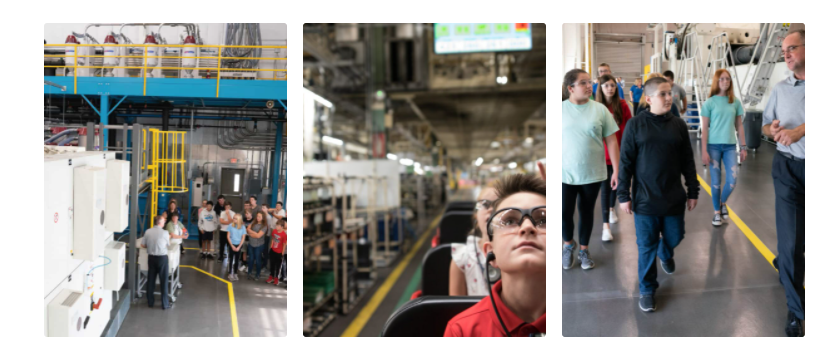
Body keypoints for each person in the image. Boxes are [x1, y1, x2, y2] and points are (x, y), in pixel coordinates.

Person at [617, 76, 699, 313]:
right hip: (644, 200)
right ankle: (647, 289)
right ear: (649, 98)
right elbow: (626, 162)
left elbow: (688, 161)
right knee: (645, 246)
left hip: (673, 197)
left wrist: (693, 190)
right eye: (663, 93)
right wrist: (624, 194)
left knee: (675, 237)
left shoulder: (679, 125)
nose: (668, 97)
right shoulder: (635, 125)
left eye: (669, 92)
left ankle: (665, 250)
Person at [444, 174, 546, 337]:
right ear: (490, 252)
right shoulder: (462, 332)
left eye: (543, 220)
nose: (527, 227)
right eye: (509, 221)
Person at [761, 29, 805, 337]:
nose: (786, 54)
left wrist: (801, 130)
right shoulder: (780, 88)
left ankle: (787, 263)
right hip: (787, 169)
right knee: (790, 242)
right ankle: (795, 309)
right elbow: (765, 124)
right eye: (783, 50)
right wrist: (772, 128)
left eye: (792, 48)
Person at [562, 68, 619, 270]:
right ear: (570, 88)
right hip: (563, 174)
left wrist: (618, 171)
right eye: (583, 83)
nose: (589, 86)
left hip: (592, 172)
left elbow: (611, 141)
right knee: (563, 212)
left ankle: (584, 250)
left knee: (586, 212)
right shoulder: (558, 110)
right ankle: (568, 244)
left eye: (589, 82)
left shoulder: (600, 110)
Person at [701, 69, 747, 226]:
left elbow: (739, 125)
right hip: (713, 146)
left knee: (732, 180)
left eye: (728, 79)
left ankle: (722, 202)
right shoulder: (709, 103)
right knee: (715, 181)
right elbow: (705, 128)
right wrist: (703, 150)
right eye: (722, 79)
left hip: (729, 147)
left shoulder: (735, 102)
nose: (725, 81)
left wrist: (743, 146)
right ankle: (716, 213)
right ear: (716, 81)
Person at [595, 74, 632, 242]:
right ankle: (605, 227)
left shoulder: (623, 105)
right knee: (605, 189)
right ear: (600, 89)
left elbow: (629, 128)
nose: (610, 88)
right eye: (606, 86)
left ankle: (611, 208)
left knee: (615, 184)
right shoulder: (595, 107)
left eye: (612, 85)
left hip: (620, 153)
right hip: (602, 155)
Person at [449, 185, 497, 296]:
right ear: (476, 215)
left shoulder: (518, 254)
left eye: (498, 205)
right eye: (485, 205)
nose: (491, 210)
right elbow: (455, 307)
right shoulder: (462, 258)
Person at [141, 215, 172, 309]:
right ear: (160, 222)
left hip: (151, 258)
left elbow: (143, 245)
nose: (164, 223)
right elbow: (167, 244)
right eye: (163, 221)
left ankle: (150, 302)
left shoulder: (147, 231)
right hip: (162, 258)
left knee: (151, 280)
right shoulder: (165, 233)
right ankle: (165, 304)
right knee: (164, 281)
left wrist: (150, 246)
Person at [246, 211, 268, 281]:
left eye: (259, 217)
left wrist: (251, 233)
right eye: (257, 216)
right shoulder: (253, 222)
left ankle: (257, 274)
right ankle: (249, 273)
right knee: (251, 259)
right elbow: (247, 229)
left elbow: (258, 236)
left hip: (259, 245)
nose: (257, 218)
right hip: (251, 244)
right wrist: (254, 233)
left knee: (258, 260)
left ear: (263, 218)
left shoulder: (264, 226)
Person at [225, 214, 247, 281]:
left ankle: (235, 273)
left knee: (237, 260)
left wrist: (239, 247)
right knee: (231, 259)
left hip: (239, 245)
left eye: (235, 218)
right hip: (232, 244)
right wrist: (231, 245)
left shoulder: (243, 227)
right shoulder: (230, 226)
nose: (233, 219)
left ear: (239, 220)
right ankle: (230, 273)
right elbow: (228, 236)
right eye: (233, 218)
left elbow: (243, 238)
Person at [269, 219, 287, 285]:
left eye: (278, 226)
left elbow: (284, 244)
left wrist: (282, 253)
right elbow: (273, 239)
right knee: (272, 264)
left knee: (278, 266)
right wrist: (271, 247)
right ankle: (271, 276)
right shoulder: (274, 231)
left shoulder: (284, 235)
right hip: (273, 250)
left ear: (282, 227)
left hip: (279, 252)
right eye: (276, 225)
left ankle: (276, 278)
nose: (276, 227)